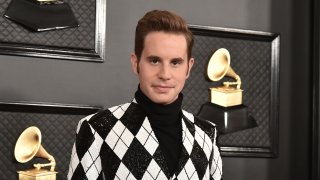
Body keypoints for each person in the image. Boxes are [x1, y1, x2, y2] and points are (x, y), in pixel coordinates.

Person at [67, 10, 223, 180]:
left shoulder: (207, 133)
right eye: (154, 61)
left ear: (189, 67)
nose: (165, 74)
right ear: (136, 63)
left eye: (175, 62)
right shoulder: (96, 129)